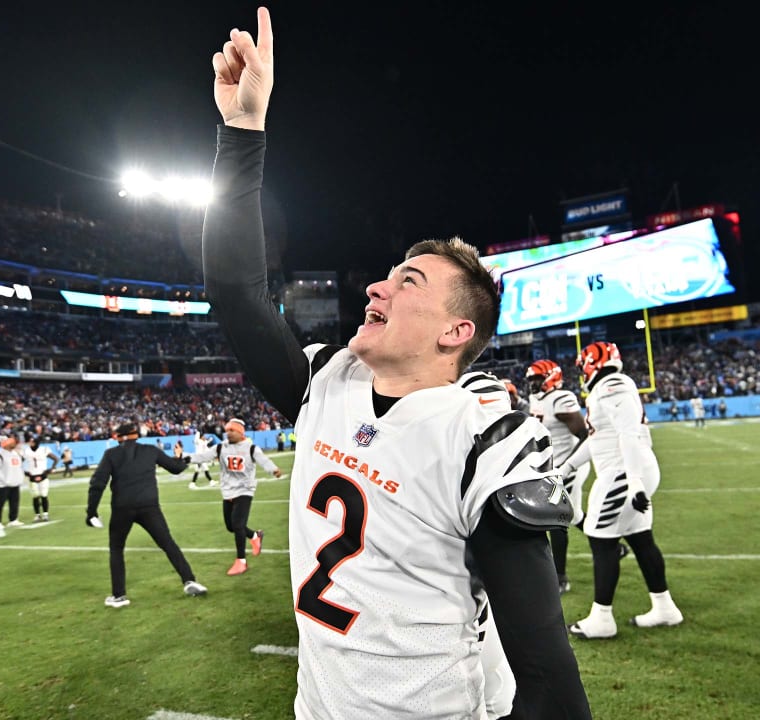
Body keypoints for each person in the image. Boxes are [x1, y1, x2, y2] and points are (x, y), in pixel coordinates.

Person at [201, 9, 592, 718]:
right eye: (386, 274)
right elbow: (234, 292)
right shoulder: (327, 383)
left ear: (457, 330)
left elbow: (546, 673)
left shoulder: (480, 436)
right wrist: (243, 134)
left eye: (407, 281)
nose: (376, 287)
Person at [562, 342, 683, 639]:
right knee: (641, 539)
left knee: (600, 539)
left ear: (592, 363)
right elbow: (599, 437)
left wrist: (634, 481)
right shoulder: (605, 387)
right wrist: (567, 466)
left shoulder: (612, 384)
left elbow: (628, 433)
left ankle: (602, 619)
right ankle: (664, 607)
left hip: (622, 472)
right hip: (626, 470)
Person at [86, 422, 207, 608]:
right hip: (149, 505)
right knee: (168, 543)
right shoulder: (150, 450)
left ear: (119, 437)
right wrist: (180, 457)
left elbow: (97, 483)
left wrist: (91, 512)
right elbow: (176, 468)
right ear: (137, 435)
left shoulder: (112, 454)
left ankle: (119, 596)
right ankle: (189, 580)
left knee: (116, 549)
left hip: (122, 507)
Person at [526, 358, 590, 594]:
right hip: (552, 467)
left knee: (557, 520)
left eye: (537, 379)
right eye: (531, 379)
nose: (532, 384)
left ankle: (560, 577)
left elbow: (584, 436)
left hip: (570, 465)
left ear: (551, 378)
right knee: (574, 516)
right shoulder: (536, 399)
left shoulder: (562, 398)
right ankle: (610, 544)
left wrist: (568, 466)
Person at [188, 418, 281, 576]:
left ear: (240, 432)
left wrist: (273, 469)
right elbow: (203, 457)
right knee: (231, 526)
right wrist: (185, 458)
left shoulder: (251, 448)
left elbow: (264, 460)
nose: (228, 433)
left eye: (232, 430)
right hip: (227, 490)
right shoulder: (221, 447)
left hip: (245, 490)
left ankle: (241, 561)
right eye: (227, 430)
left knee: (238, 524)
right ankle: (254, 536)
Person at [0, 435, 25, 532]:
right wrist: (4, 480)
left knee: (14, 502)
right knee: (0, 503)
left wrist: (20, 478)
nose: (14, 444)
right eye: (11, 442)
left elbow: (19, 467)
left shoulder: (15, 454)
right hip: (2, 484)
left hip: (14, 482)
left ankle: (13, 519)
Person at [22, 435, 58, 522]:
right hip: (32, 475)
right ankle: (37, 515)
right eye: (30, 441)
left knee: (44, 495)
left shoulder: (44, 449)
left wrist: (51, 469)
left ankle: (45, 514)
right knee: (35, 496)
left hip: (43, 474)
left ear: (37, 442)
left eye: (33, 442)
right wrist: (24, 471)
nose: (31, 443)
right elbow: (18, 461)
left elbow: (56, 459)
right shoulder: (26, 451)